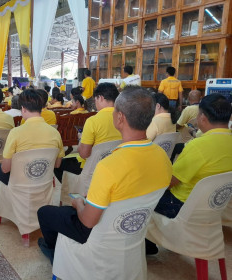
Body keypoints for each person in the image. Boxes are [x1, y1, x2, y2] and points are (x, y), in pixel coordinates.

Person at [37, 86, 172, 263]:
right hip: (131, 228)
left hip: (99, 234)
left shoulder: (109, 165)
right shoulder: (163, 157)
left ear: (120, 117)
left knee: (45, 213)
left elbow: (87, 221)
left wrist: (78, 204)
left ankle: (58, 255)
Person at [146, 94, 232, 254]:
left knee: (142, 196)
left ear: (202, 117)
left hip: (181, 206)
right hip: (212, 208)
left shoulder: (199, 146)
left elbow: (169, 181)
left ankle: (148, 246)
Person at [0, 89, 65, 218]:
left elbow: (5, 169)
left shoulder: (16, 132)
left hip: (20, 182)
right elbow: (57, 164)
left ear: (23, 109)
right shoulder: (54, 132)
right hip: (43, 180)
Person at [54, 83, 122, 184]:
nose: (95, 103)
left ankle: (75, 194)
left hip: (92, 168)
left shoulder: (93, 121)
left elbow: (84, 154)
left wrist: (81, 139)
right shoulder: (124, 118)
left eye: (95, 100)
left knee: (58, 165)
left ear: (101, 98)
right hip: (117, 166)